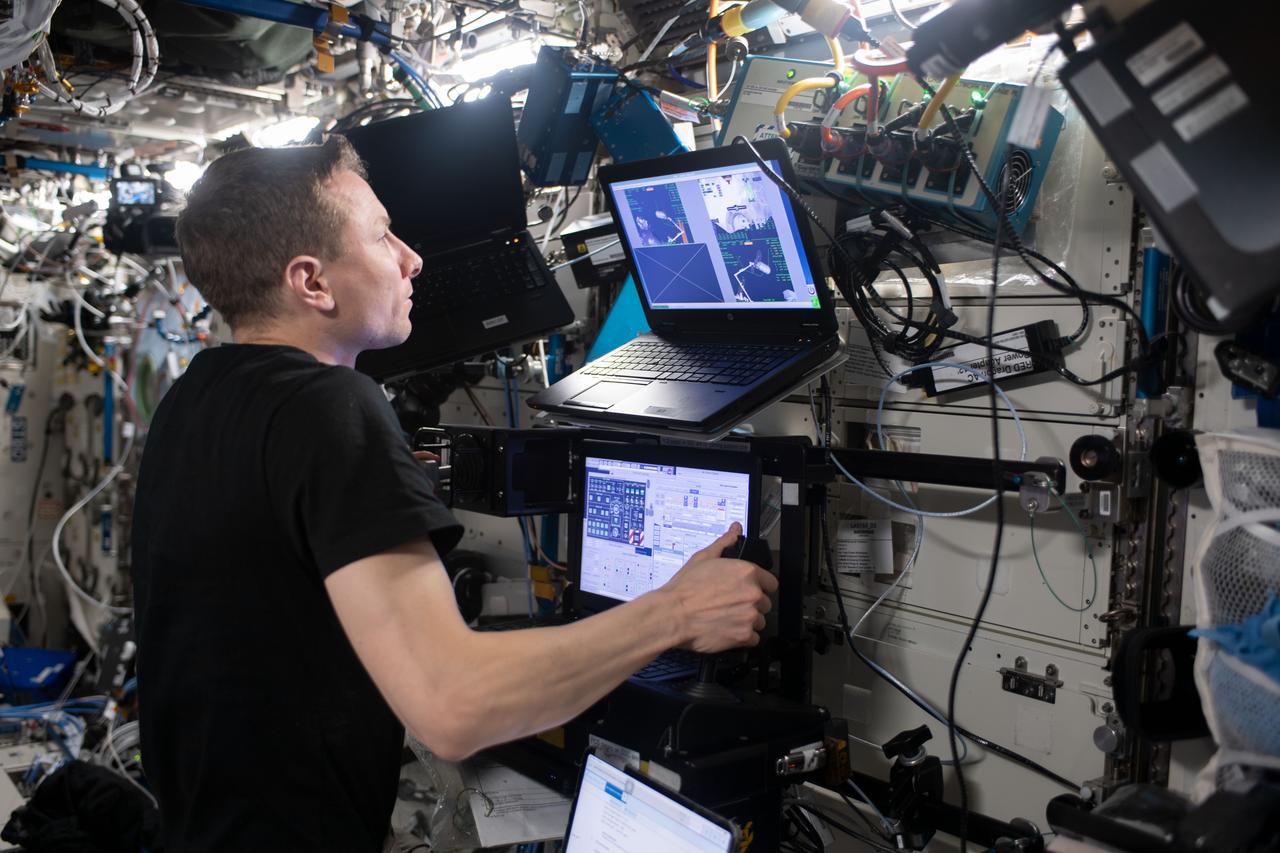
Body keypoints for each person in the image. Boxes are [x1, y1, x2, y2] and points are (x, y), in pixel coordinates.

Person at [129, 136, 777, 853]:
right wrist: (677, 610)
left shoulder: (194, 397)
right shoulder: (328, 407)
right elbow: (454, 706)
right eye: (380, 235)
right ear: (312, 282)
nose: (411, 257)